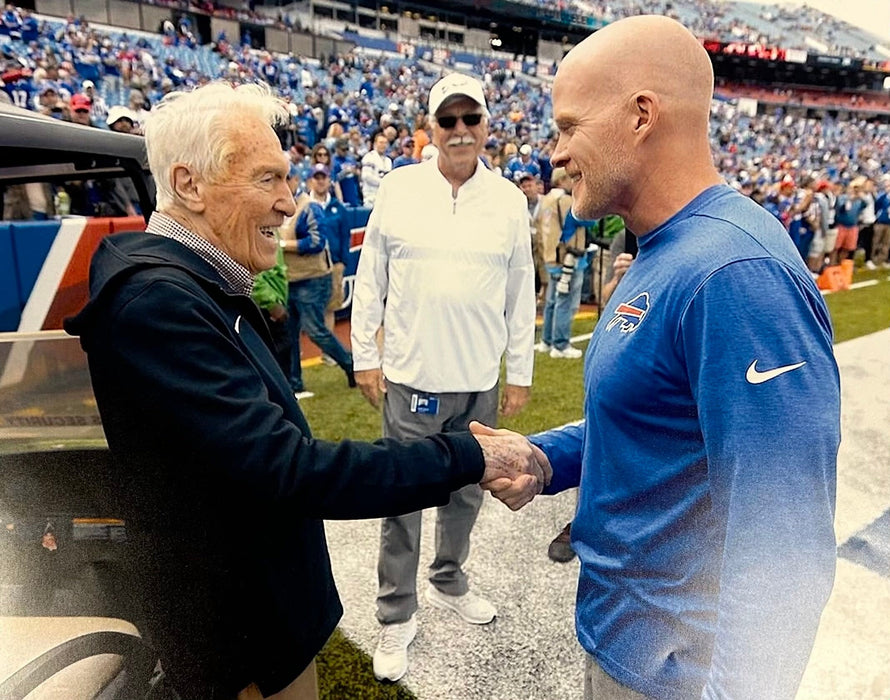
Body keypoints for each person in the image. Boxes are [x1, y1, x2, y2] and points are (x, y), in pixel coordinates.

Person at [63, 82, 550, 700]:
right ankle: (398, 613)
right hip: (241, 630)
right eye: (268, 180)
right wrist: (470, 455)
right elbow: (287, 468)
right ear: (189, 185)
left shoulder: (195, 287)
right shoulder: (159, 303)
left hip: (261, 608)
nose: (288, 203)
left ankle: (446, 580)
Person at [509, 16, 840, 699]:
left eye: (569, 126)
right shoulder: (667, 248)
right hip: (625, 643)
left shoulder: (735, 274)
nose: (556, 154)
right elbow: (658, 421)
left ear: (640, 116)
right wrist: (546, 460)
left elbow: (786, 548)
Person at [350, 72, 536, 684]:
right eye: (448, 120)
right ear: (431, 128)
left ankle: (448, 578)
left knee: (467, 491)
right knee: (402, 498)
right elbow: (371, 276)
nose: (460, 131)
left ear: (486, 125)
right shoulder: (400, 188)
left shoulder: (509, 200)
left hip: (479, 378)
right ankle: (395, 612)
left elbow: (520, 289)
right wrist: (365, 356)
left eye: (470, 119)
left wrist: (520, 371)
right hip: (410, 376)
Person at [281, 163, 356, 394]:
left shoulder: (309, 207)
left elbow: (316, 242)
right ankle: (295, 383)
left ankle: (350, 363)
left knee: (315, 330)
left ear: (297, 180)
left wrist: (284, 245)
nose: (284, 183)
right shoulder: (283, 206)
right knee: (290, 333)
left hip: (313, 278)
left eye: (287, 178)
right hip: (290, 278)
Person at [534, 166, 592, 359]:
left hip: (550, 255)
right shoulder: (566, 200)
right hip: (568, 255)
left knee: (552, 300)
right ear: (562, 180)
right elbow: (586, 220)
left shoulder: (546, 200)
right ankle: (560, 344)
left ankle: (546, 340)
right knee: (564, 301)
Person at [360, 128, 392, 207]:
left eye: (385, 143)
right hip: (371, 197)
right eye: (381, 142)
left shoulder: (388, 161)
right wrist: (383, 182)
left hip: (384, 198)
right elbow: (366, 176)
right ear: (375, 143)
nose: (383, 145)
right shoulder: (369, 157)